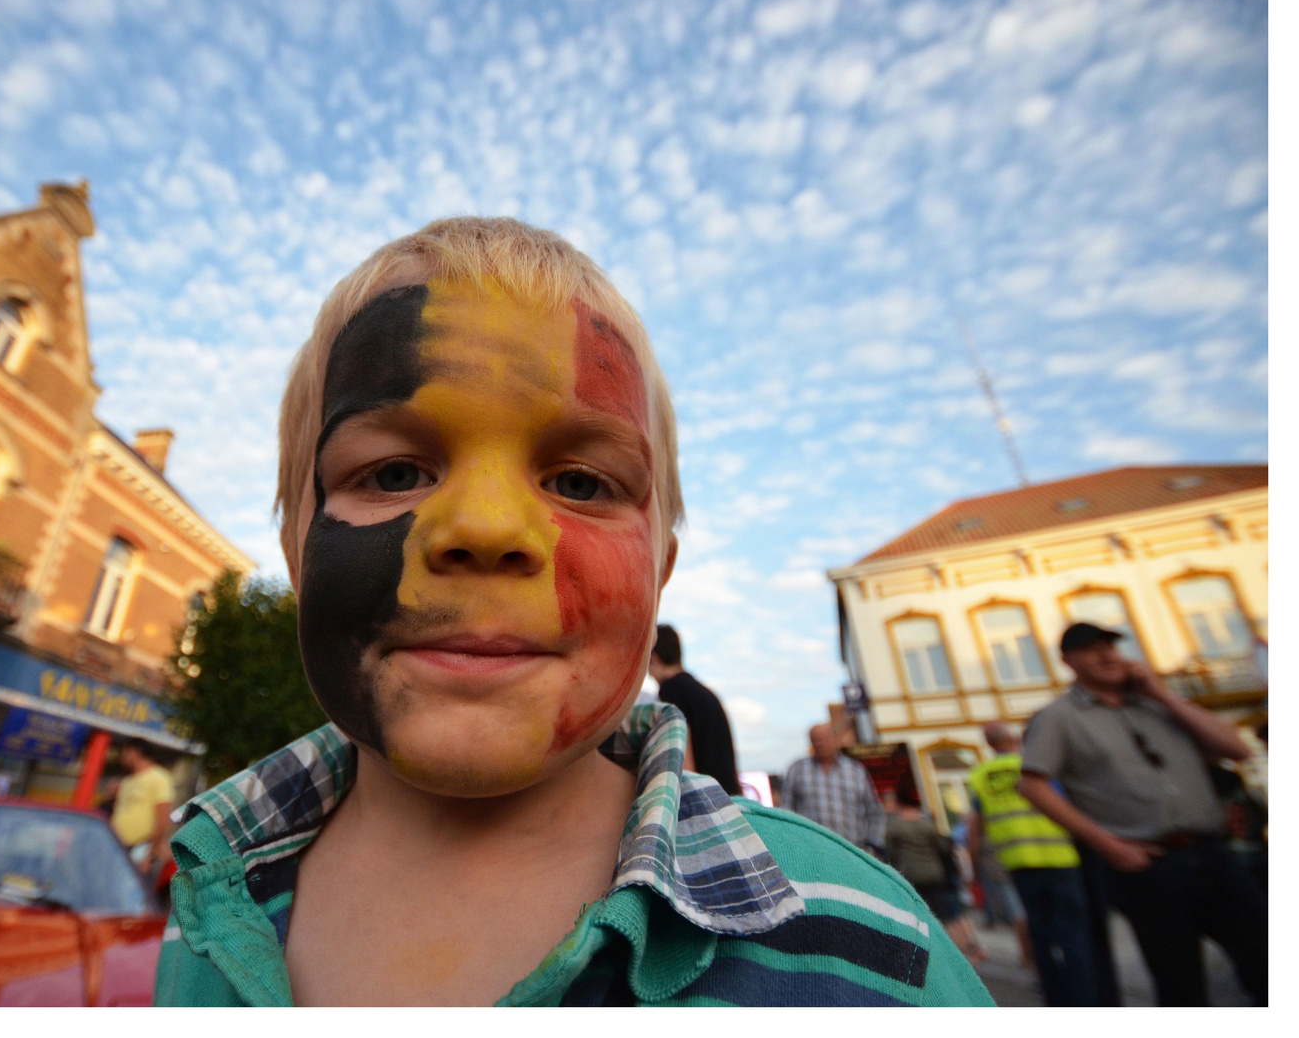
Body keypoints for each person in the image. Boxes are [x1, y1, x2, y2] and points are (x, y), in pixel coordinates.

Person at [152, 217, 992, 1006]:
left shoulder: (873, 943)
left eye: (580, 484)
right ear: (297, 552)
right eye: (395, 474)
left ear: (659, 574)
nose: (483, 529)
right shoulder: (206, 915)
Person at [1017, 622, 1267, 1006]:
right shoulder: (1059, 717)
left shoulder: (1157, 705)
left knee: (1266, 963)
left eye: (1112, 646)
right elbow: (1032, 785)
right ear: (1067, 661)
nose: (1107, 655)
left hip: (1214, 854)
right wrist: (1107, 844)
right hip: (1149, 867)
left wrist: (1162, 694)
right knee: (1181, 986)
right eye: (1091, 648)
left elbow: (1237, 748)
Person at [967, 721, 1097, 1005]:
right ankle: (1085, 998)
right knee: (1074, 934)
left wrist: (974, 870)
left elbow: (973, 828)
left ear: (989, 745)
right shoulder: (1039, 766)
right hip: (1061, 858)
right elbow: (1071, 807)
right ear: (1013, 739)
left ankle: (1054, 996)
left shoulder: (980, 775)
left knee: (1040, 933)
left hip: (1018, 863)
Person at [884, 784, 986, 964]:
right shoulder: (927, 824)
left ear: (899, 802)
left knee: (917, 916)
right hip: (935, 874)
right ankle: (966, 953)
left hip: (911, 876)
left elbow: (891, 854)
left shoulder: (895, 827)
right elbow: (943, 848)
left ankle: (924, 954)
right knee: (947, 915)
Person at [647, 623, 740, 793]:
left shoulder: (671, 689)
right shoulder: (703, 692)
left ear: (655, 657)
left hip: (706, 798)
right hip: (727, 793)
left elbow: (682, 750)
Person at [779, 721, 886, 857]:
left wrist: (873, 846)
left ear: (835, 740)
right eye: (816, 740)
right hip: (811, 852)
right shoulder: (797, 769)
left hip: (854, 852)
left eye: (824, 739)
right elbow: (786, 810)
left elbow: (874, 810)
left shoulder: (855, 770)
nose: (821, 744)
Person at [111, 739, 176, 877]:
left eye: (125, 752)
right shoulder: (127, 781)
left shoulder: (159, 778)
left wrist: (149, 855)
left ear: (136, 752)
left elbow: (163, 817)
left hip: (140, 850)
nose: (121, 756)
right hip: (117, 847)